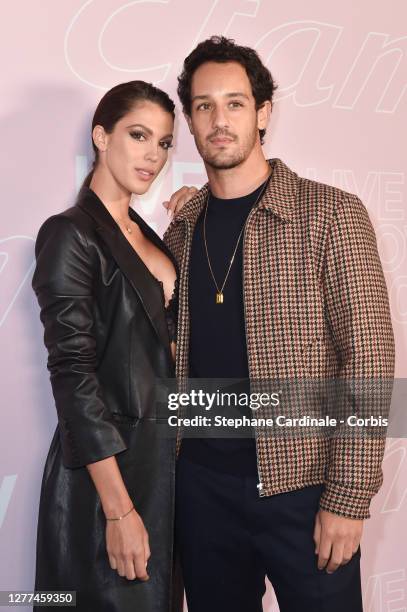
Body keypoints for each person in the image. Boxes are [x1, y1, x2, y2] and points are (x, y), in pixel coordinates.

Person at [163, 36, 395, 612]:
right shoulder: (181, 230)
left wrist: (347, 497)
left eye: (236, 103)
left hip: (306, 490)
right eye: (204, 105)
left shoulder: (331, 214)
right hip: (200, 490)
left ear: (263, 113)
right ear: (190, 120)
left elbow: (368, 360)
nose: (220, 120)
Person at [32, 80, 183, 612]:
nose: (153, 155)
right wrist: (119, 511)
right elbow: (73, 378)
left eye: (164, 143)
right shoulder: (70, 234)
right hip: (107, 482)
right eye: (138, 135)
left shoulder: (148, 233)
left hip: (163, 473)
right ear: (101, 136)